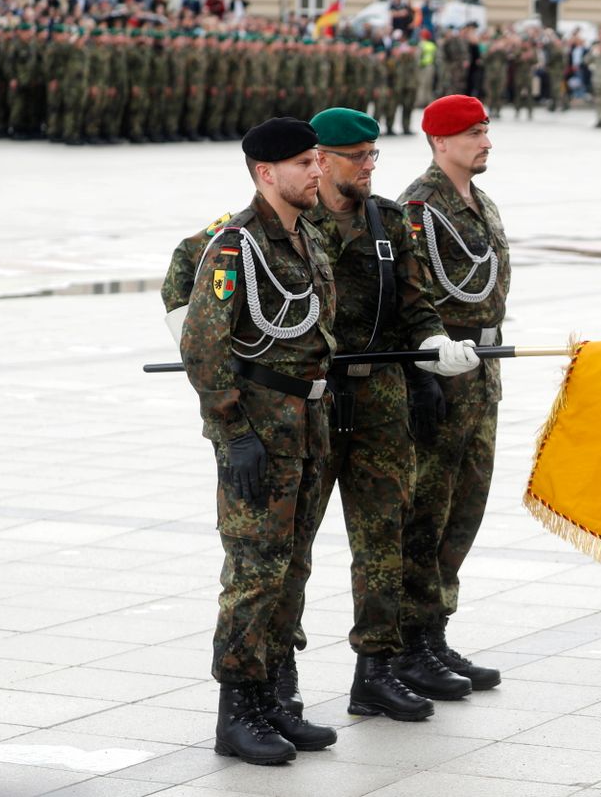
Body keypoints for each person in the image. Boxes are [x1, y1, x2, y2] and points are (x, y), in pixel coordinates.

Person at [302, 107, 480, 720]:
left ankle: (376, 669)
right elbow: (187, 277)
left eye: (375, 155)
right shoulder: (289, 222)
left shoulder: (388, 221)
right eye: (359, 157)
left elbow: (416, 302)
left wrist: (433, 346)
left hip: (379, 397)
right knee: (289, 545)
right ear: (320, 159)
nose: (370, 167)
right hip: (315, 401)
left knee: (383, 537)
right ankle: (271, 679)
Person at [177, 117, 340, 765]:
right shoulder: (235, 247)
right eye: (305, 163)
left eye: (319, 160)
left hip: (308, 430)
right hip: (261, 436)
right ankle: (236, 712)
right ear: (266, 172)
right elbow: (202, 348)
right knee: (253, 574)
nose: (317, 172)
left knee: (292, 570)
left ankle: (272, 697)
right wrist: (232, 433)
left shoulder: (308, 242)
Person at [398, 95, 511, 692]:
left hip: (481, 373)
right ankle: (408, 642)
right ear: (440, 142)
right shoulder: (418, 207)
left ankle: (436, 633)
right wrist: (422, 376)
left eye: (486, 131)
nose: (486, 142)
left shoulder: (479, 201)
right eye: (472, 134)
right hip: (442, 372)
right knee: (427, 512)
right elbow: (413, 300)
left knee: (466, 507)